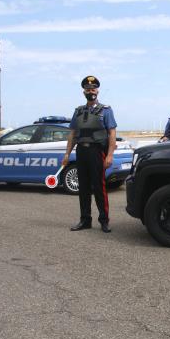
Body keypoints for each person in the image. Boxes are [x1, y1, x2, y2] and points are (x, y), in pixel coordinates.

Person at [62, 76, 117, 233]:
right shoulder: (78, 111)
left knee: (99, 187)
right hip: (81, 151)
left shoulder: (106, 110)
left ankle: (104, 220)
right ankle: (85, 220)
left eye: (93, 89)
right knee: (84, 187)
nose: (90, 91)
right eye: (87, 89)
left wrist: (110, 155)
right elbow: (72, 134)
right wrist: (67, 154)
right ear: (83, 91)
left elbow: (112, 133)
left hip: (96, 151)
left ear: (97, 91)